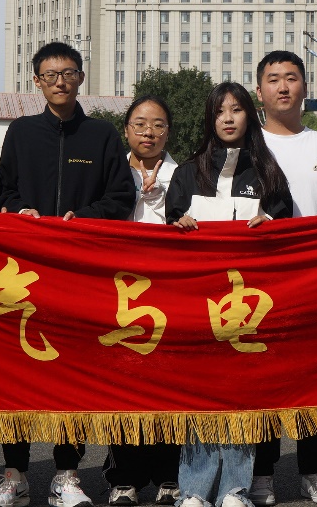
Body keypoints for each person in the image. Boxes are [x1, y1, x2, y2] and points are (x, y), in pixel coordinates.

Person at [0, 41, 136, 507]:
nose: (60, 82)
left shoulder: (102, 135)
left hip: (79, 273)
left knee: (72, 372)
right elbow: (2, 190)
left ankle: (67, 474)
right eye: (50, 75)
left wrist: (84, 217)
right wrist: (19, 210)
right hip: (25, 272)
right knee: (17, 374)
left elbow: (120, 198)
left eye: (68, 73)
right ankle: (14, 474)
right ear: (36, 81)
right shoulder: (22, 132)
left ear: (80, 78)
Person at [166, 82, 294, 507]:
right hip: (199, 306)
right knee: (199, 396)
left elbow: (288, 229)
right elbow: (168, 234)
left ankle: (236, 487)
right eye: (220, 111)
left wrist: (270, 223)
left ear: (248, 116)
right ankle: (194, 490)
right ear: (210, 118)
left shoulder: (268, 172)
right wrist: (179, 226)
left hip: (247, 309)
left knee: (241, 394)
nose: (228, 118)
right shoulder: (188, 173)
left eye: (236, 109)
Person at [247, 51, 317, 507]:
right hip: (261, 285)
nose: (283, 86)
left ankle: (315, 472)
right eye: (273, 79)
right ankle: (262, 474)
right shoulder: (246, 149)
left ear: (305, 87)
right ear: (259, 91)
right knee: (264, 382)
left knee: (314, 381)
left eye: (291, 78)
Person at [103, 95, 181, 507]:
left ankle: (170, 475)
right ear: (126, 130)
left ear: (168, 132)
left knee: (170, 385)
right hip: (120, 291)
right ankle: (124, 477)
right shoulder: (110, 171)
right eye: (140, 124)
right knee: (123, 385)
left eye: (158, 125)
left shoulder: (183, 174)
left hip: (168, 292)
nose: (149, 132)